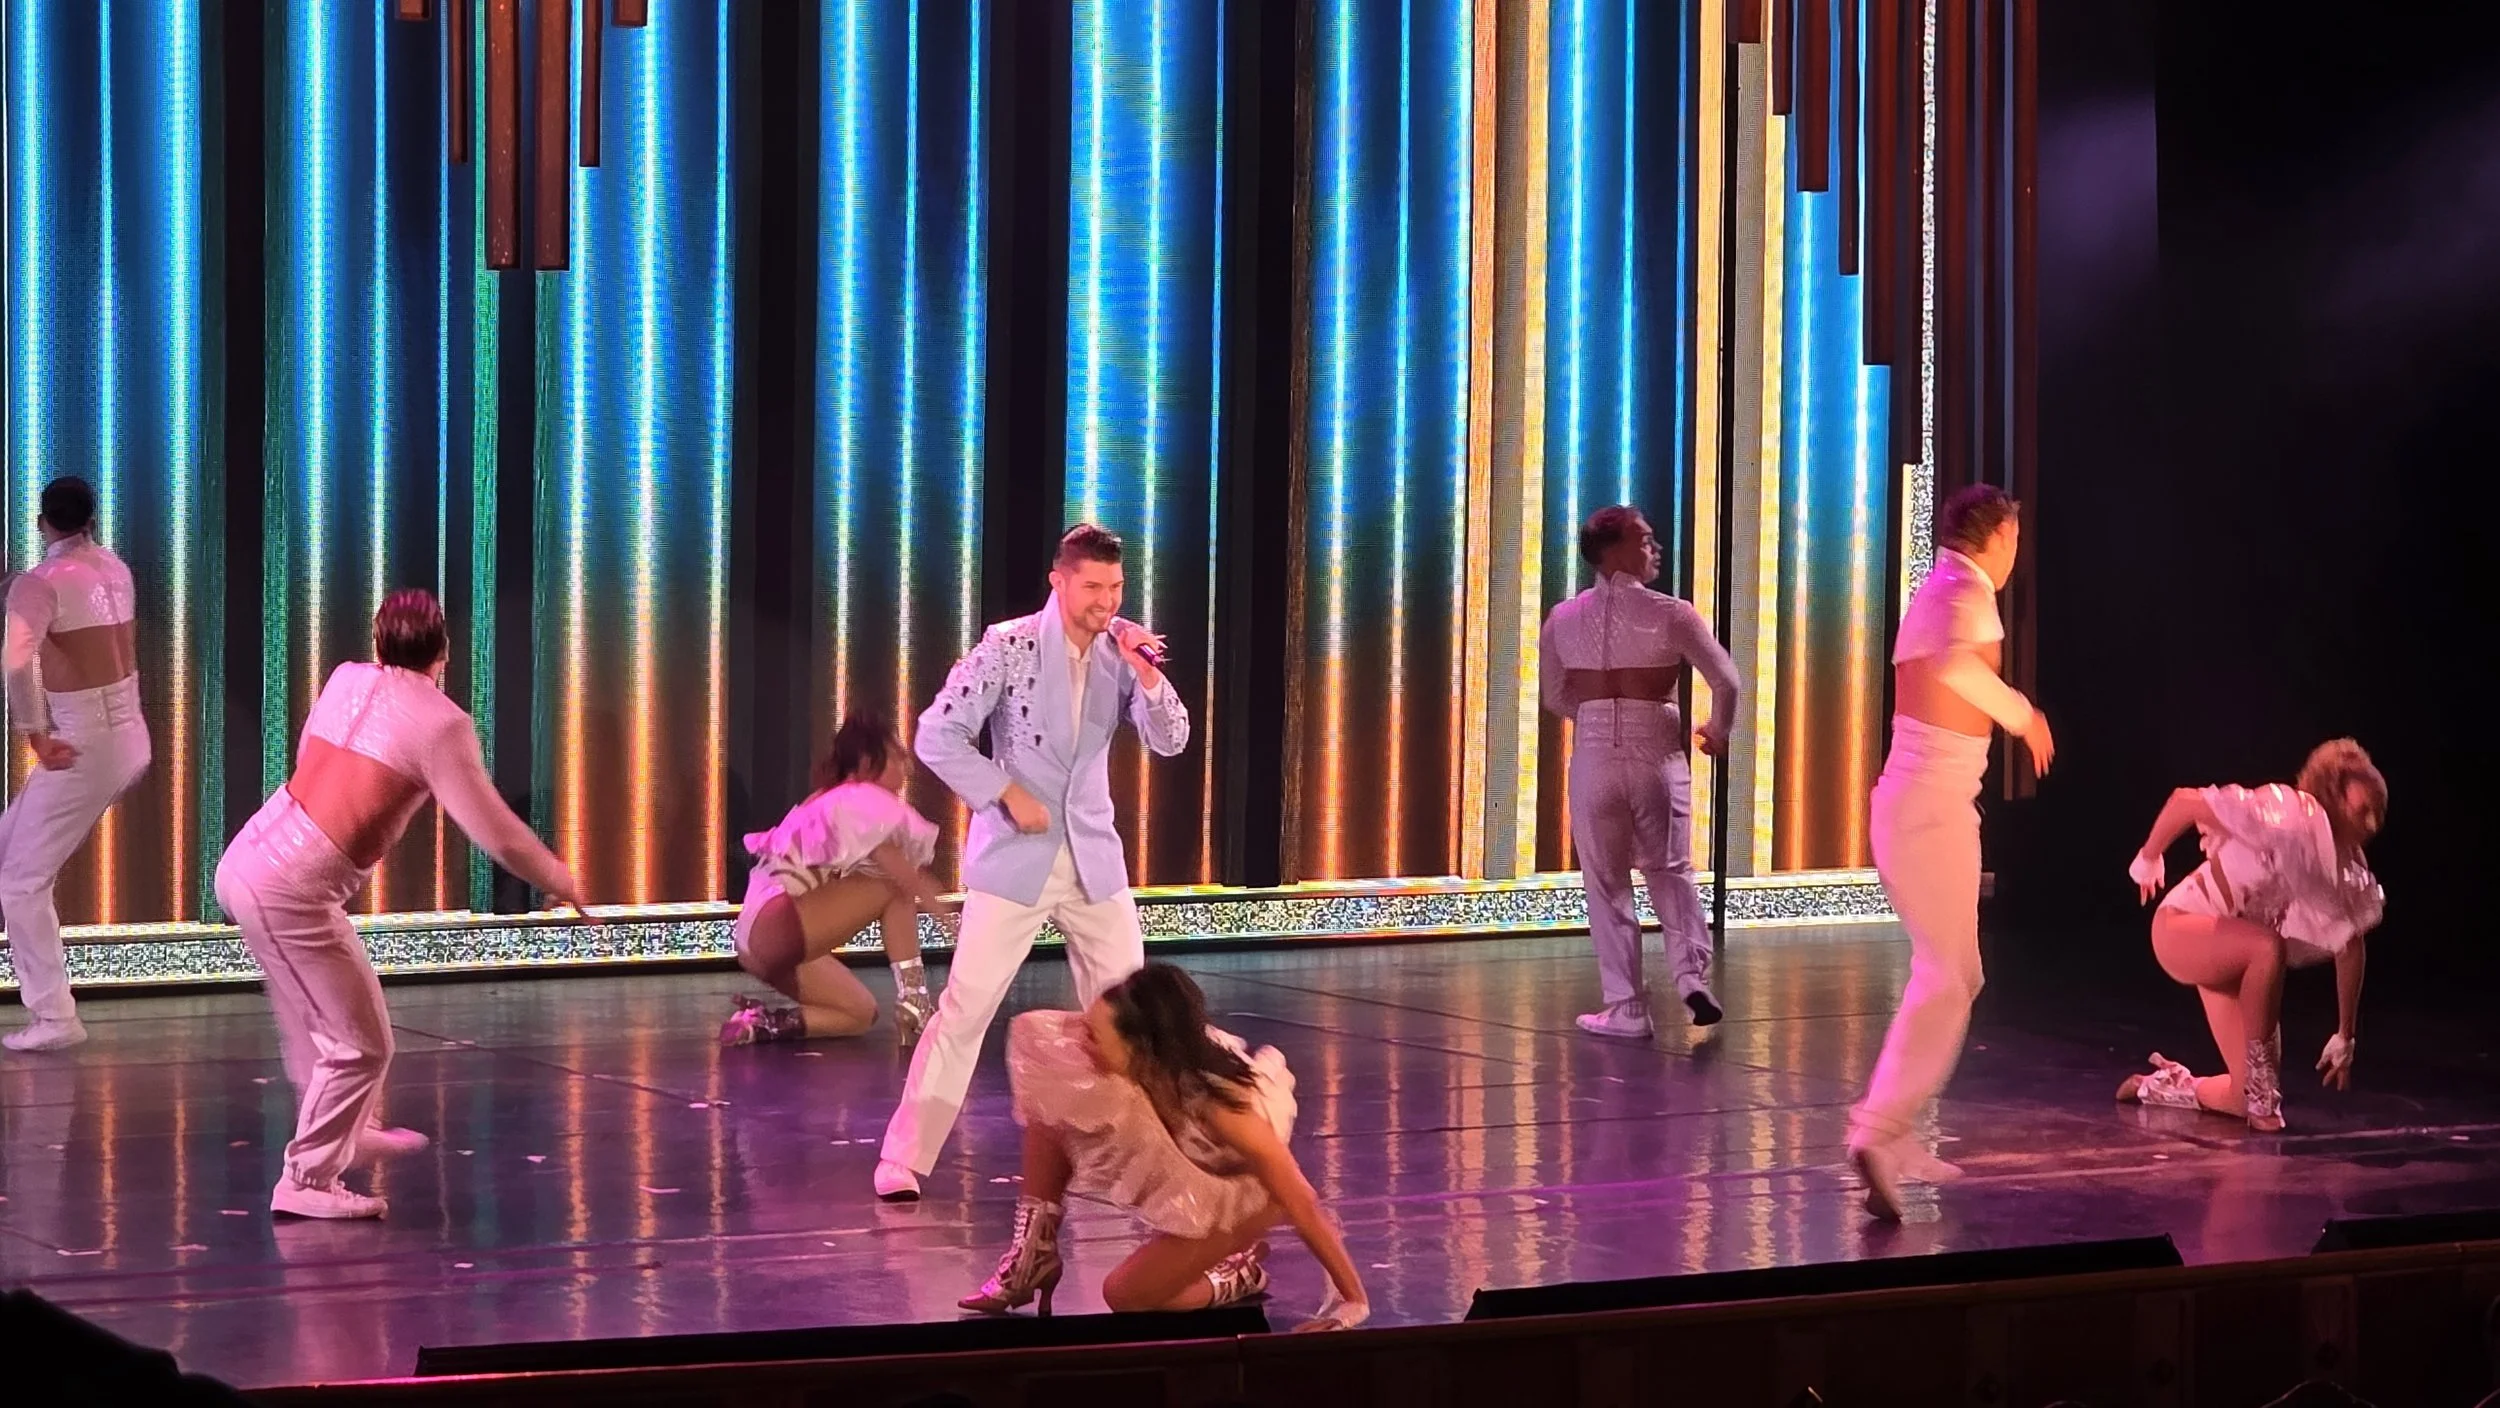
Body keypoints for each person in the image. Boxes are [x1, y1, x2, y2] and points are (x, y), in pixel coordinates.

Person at [218, 589, 586, 1219]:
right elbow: (494, 831)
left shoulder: (347, 678)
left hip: (257, 855)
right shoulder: (442, 724)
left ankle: (347, 1131)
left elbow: (313, 758)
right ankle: (305, 1181)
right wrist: (560, 876)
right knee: (358, 1044)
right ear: (444, 648)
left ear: (378, 639)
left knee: (337, 1024)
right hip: (288, 890)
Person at [874, 524, 1189, 1202]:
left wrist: (1147, 673)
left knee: (1132, 1015)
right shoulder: (1009, 646)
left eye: (1116, 587)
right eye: (1094, 587)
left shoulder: (1119, 652)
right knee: (964, 1008)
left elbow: (1172, 740)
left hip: (1094, 858)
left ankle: (1153, 1155)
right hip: (1017, 859)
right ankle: (905, 1156)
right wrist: (1003, 791)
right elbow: (937, 733)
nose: (1107, 601)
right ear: (1060, 579)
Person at [1849, 484, 2057, 1221]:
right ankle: (1877, 1131)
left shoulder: (1941, 589)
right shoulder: (1963, 588)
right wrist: (2023, 715)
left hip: (1925, 810)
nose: (2015, 554)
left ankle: (1895, 1131)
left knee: (1956, 973)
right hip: (1928, 813)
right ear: (1998, 534)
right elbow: (1954, 668)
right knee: (1947, 976)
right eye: (2015, 538)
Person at [959, 962, 1369, 1330]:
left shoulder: (1223, 1108)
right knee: (1056, 1097)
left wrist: (1351, 1301)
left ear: (1140, 1046)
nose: (1081, 1041)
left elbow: (1301, 1201)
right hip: (1175, 1145)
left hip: (1242, 1202)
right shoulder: (1141, 1061)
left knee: (1125, 1295)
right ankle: (1034, 1257)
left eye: (1095, 1036)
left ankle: (1231, 1274)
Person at [1539, 505, 1743, 1037]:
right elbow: (1726, 681)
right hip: (1656, 755)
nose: (1655, 550)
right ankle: (1689, 976)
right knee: (1671, 870)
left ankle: (1627, 1007)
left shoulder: (1563, 618)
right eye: (1646, 540)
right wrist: (1717, 732)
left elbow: (1555, 696)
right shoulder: (1671, 612)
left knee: (1606, 884)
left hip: (1594, 759)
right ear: (1613, 550)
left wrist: (1598, 715)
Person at [2117, 740, 2386, 1132]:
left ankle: (2166, 1088)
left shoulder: (2343, 867)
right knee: (2266, 946)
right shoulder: (2284, 814)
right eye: (2361, 810)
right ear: (2330, 797)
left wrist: (2346, 1035)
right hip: (2182, 928)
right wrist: (2149, 857)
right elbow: (2187, 801)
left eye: (2377, 813)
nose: (2371, 824)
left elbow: (2350, 944)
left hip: (2234, 957)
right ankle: (2263, 1094)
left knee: (2240, 1099)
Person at [3, 477, 151, 1053]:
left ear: (43, 521)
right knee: (7, 847)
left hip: (83, 745)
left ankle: (55, 1016)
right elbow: (51, 605)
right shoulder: (113, 568)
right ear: (91, 519)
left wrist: (33, 734)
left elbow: (17, 662)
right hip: (127, 735)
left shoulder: (40, 584)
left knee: (19, 883)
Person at [721, 714, 956, 1048]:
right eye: (896, 758)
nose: (905, 768)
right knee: (895, 885)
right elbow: (904, 875)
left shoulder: (831, 801)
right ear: (866, 762)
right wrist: (952, 923)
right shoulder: (858, 797)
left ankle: (765, 1024)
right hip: (776, 926)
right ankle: (916, 1003)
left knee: (859, 1012)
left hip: (757, 939)